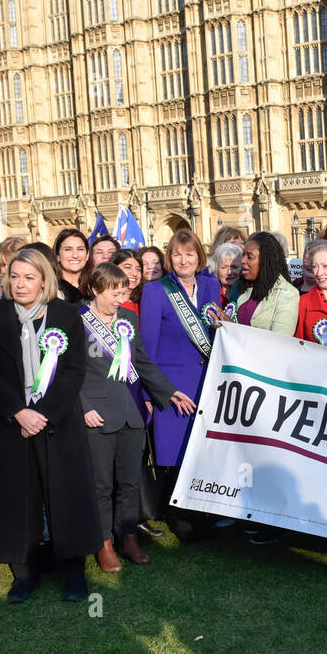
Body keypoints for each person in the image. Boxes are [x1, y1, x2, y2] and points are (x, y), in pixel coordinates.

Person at [0, 247, 100, 603]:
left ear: (44, 279)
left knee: (65, 496)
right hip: (11, 425)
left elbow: (74, 371)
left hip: (56, 422)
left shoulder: (67, 314)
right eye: (14, 276)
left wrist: (42, 414)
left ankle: (73, 573)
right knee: (16, 497)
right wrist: (19, 412)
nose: (20, 284)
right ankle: (24, 575)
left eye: (29, 277)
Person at [79, 263, 193, 571]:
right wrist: (83, 406)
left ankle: (128, 536)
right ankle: (103, 543)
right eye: (113, 293)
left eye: (123, 292)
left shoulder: (128, 319)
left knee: (129, 482)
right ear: (95, 289)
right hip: (96, 416)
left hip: (131, 414)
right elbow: (67, 373)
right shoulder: (77, 320)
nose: (120, 299)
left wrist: (169, 391)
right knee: (102, 485)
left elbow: (143, 362)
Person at [139, 228, 222, 533]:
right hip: (172, 388)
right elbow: (146, 348)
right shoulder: (156, 290)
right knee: (174, 452)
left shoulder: (212, 287)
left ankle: (204, 511)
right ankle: (179, 514)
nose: (183, 260)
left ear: (199, 256)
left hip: (207, 383)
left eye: (189, 254)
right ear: (169, 258)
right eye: (176, 254)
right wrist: (160, 392)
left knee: (202, 450)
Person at [231, 232, 298, 334]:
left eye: (249, 257)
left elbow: (280, 341)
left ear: (266, 260)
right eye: (243, 255)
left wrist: (233, 330)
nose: (242, 261)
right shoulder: (240, 287)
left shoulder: (287, 294)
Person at [53, 228, 91, 305]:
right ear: (58, 256)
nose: (75, 255)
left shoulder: (96, 286)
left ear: (87, 255)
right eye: (68, 249)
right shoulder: (50, 289)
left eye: (80, 249)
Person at [208, 242, 244, 306]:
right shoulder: (209, 292)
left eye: (234, 267)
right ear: (216, 270)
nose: (229, 272)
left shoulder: (247, 293)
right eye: (224, 267)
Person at [111, 249, 144, 314]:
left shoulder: (143, 303)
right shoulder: (101, 301)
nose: (134, 273)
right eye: (127, 267)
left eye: (138, 269)